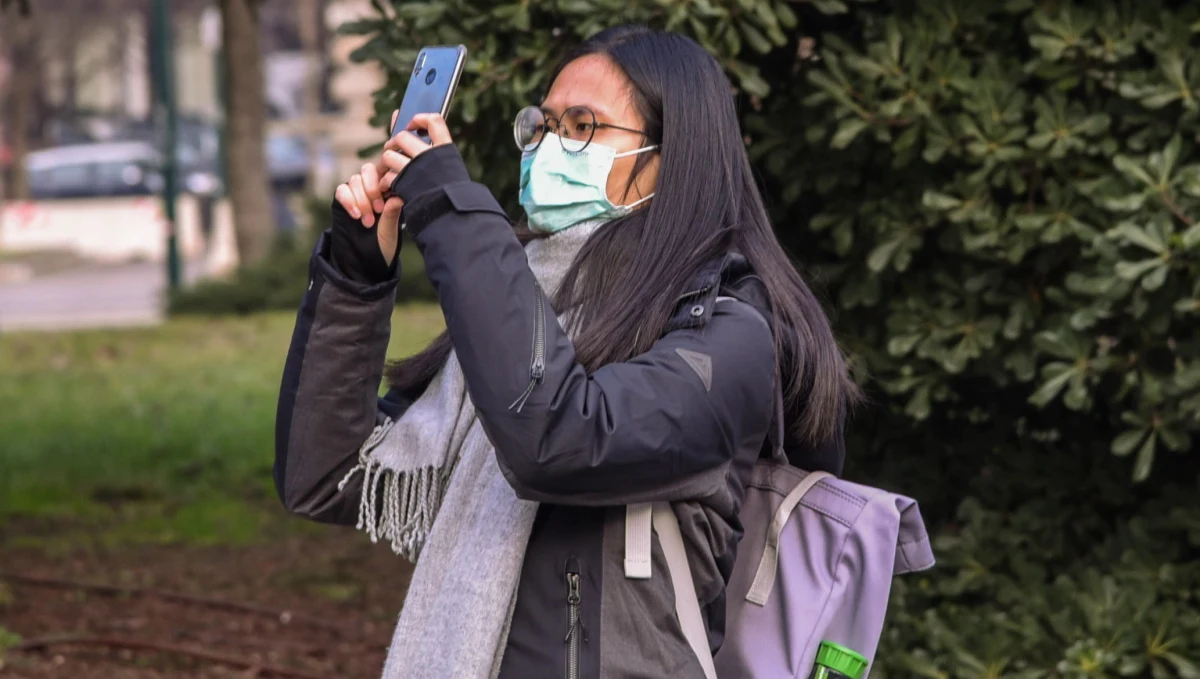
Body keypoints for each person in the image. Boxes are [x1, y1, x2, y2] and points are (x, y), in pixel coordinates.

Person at [274, 24, 857, 679]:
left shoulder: (731, 328)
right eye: (545, 124)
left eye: (583, 125)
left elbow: (562, 436)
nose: (552, 146)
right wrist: (356, 275)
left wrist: (446, 208)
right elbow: (326, 477)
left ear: (676, 155)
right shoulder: (522, 299)